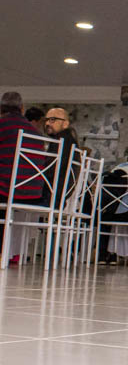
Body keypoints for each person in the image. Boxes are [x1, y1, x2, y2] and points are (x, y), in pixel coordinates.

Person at [0, 92, 45, 261]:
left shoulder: (2, 125)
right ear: (22, 108)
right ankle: (13, 252)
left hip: (7, 190)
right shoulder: (36, 133)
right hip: (32, 193)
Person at [43, 107, 79, 209]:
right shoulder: (70, 140)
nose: (47, 124)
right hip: (59, 197)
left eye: (53, 120)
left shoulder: (61, 141)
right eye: (46, 120)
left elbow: (49, 170)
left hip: (50, 197)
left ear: (65, 123)